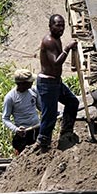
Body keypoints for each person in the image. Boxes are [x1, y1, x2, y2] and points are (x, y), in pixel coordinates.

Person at [36, 14, 80, 151]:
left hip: (56, 82)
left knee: (72, 102)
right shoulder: (49, 41)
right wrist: (67, 48)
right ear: (50, 26)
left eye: (62, 25)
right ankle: (43, 143)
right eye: (57, 25)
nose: (61, 28)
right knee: (49, 115)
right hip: (47, 84)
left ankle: (66, 132)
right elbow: (55, 63)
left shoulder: (56, 39)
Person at [1, 69, 41, 155]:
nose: (32, 83)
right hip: (24, 133)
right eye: (30, 81)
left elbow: (41, 107)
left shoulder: (33, 91)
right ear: (21, 83)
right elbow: (5, 118)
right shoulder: (10, 97)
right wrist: (16, 129)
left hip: (37, 128)